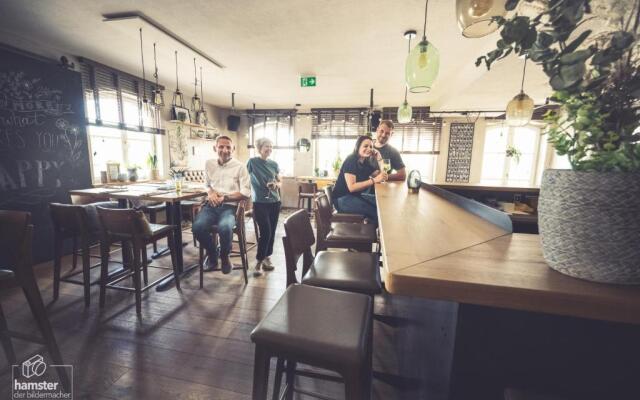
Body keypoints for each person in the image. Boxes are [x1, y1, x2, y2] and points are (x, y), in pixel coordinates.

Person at [192, 135, 251, 274]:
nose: (225, 150)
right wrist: (210, 192)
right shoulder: (209, 164)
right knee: (197, 228)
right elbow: (206, 185)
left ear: (233, 149)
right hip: (211, 207)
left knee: (225, 227)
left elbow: (246, 192)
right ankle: (213, 254)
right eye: (221, 147)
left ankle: (225, 256)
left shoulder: (240, 167)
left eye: (228, 147)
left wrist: (224, 198)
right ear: (215, 148)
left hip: (230, 207)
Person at [332, 135, 387, 226]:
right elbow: (352, 187)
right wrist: (374, 180)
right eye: (365, 146)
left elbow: (382, 174)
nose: (369, 149)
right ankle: (370, 237)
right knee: (376, 212)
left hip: (354, 197)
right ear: (358, 147)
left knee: (380, 206)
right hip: (342, 199)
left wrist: (379, 158)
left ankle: (370, 231)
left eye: (371, 147)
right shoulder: (351, 160)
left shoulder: (365, 162)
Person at [246, 137, 281, 275]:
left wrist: (276, 185)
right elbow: (244, 178)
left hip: (275, 201)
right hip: (260, 202)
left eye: (271, 147)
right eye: (267, 146)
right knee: (265, 231)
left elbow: (280, 181)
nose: (269, 149)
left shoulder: (274, 164)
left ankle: (267, 257)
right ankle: (259, 261)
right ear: (259, 148)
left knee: (272, 232)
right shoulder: (252, 162)